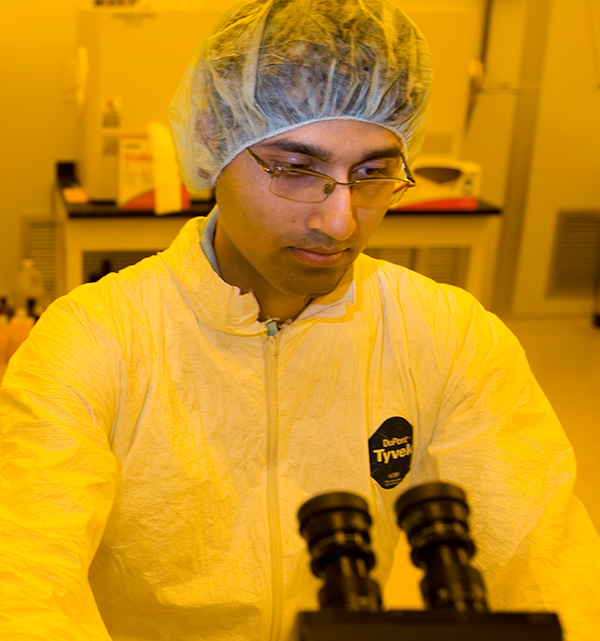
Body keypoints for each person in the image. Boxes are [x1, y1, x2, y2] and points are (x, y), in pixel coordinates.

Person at [0, 0, 599, 639]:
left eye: (372, 173)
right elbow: (26, 580)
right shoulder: (96, 340)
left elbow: (546, 559)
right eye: (296, 169)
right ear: (213, 137)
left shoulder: (446, 336)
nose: (340, 222)